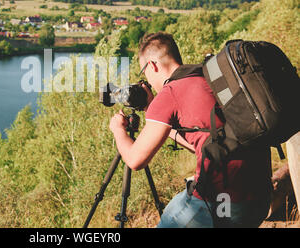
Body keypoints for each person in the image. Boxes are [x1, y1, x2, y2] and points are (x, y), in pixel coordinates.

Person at [109, 32, 272, 228]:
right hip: (259, 197)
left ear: (152, 66)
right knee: (176, 204)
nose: (148, 81)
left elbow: (136, 160)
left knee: (175, 212)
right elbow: (208, 142)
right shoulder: (209, 77)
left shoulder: (171, 93)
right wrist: (160, 118)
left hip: (223, 203)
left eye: (144, 72)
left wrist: (118, 130)